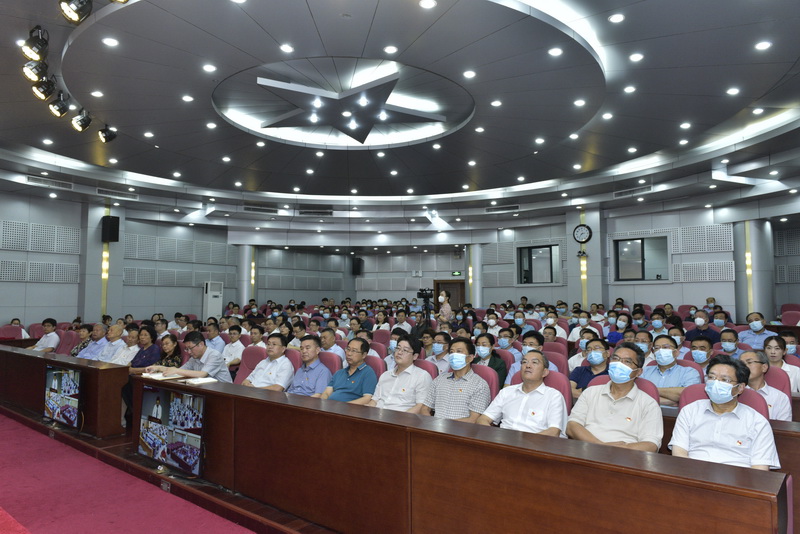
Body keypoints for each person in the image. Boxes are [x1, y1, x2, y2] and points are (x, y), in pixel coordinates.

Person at [669, 354, 780, 470]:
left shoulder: (757, 422)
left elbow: (760, 469)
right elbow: (679, 453)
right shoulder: (690, 411)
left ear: (740, 388)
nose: (716, 383)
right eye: (711, 377)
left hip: (738, 478)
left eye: (725, 380)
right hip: (692, 473)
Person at [567, 342, 663, 452]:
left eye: (627, 361)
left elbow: (651, 445)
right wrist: (600, 446)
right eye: (616, 359)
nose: (619, 364)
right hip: (585, 450)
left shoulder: (648, 404)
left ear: (638, 372)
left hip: (624, 456)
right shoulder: (590, 392)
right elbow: (572, 426)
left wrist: (614, 451)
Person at [478, 349, 567, 437]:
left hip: (535, 443)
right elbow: (483, 419)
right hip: (502, 441)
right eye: (524, 362)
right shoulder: (506, 392)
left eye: (534, 362)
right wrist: (494, 437)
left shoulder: (554, 396)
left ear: (544, 372)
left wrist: (523, 442)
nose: (528, 365)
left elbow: (553, 432)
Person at [421, 337, 491, 422]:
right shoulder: (440, 379)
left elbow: (474, 419)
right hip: (434, 426)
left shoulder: (479, 384)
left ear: (470, 358)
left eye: (459, 351)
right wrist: (431, 424)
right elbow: (425, 408)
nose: (454, 355)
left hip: (460, 429)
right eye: (451, 352)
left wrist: (445, 425)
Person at [369, 337, 432, 413]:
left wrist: (400, 418)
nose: (399, 352)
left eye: (405, 350)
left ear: (415, 356)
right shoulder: (385, 375)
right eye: (398, 348)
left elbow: (421, 406)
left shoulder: (422, 376)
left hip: (401, 418)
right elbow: (374, 401)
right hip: (376, 416)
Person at [146, 331, 232, 382]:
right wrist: (159, 368)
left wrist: (176, 370)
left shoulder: (214, 355)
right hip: (207, 389)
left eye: (190, 348)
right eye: (187, 349)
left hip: (224, 392)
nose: (189, 352)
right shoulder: (194, 357)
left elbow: (202, 374)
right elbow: (180, 370)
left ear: (201, 344)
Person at [641, 334, 701, 406]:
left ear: (676, 352)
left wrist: (650, 390)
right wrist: (672, 400)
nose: (660, 351)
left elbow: (688, 395)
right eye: (657, 348)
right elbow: (637, 394)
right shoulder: (645, 371)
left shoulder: (689, 372)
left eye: (665, 347)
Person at [320, 338, 377, 404]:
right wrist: (322, 404)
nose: (349, 353)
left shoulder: (368, 373)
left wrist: (344, 407)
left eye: (354, 351)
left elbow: (367, 399)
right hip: (330, 407)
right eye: (348, 349)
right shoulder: (339, 373)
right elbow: (327, 393)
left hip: (350, 409)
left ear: (364, 355)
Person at [742, 351, 792, 421]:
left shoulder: (780, 397)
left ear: (764, 367)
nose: (744, 367)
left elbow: (784, 425)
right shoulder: (736, 394)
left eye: (749, 362)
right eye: (741, 364)